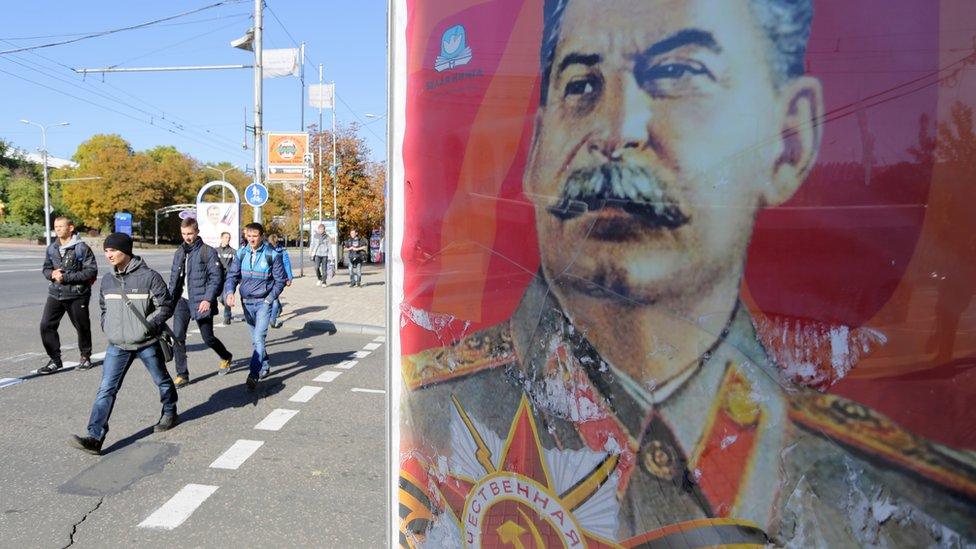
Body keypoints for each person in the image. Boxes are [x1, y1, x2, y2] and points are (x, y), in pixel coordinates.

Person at [398, 1, 976, 547]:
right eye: (581, 85)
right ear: (537, 148)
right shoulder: (434, 413)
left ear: (790, 141)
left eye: (677, 74)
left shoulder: (900, 504)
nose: (617, 129)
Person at [69, 233, 176, 455]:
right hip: (117, 345)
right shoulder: (108, 280)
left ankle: (169, 410)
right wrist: (107, 326)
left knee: (162, 380)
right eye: (107, 250)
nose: (108, 254)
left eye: (113, 250)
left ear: (126, 251)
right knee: (106, 389)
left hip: (146, 342)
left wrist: (147, 326)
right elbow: (104, 308)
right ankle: (95, 437)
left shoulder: (149, 277)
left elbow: (165, 305)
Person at [167, 218, 234, 387]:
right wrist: (168, 298)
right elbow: (174, 277)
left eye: (189, 233)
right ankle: (182, 374)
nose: (187, 237)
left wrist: (208, 299)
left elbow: (216, 278)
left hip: (201, 300)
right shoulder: (179, 251)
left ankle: (226, 356)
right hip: (182, 300)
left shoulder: (207, 251)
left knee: (208, 338)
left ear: (197, 232)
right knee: (178, 337)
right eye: (183, 234)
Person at [224, 223, 287, 390]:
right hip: (246, 303)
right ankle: (264, 365)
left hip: (263, 303)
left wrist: (269, 299)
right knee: (255, 339)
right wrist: (230, 292)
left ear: (262, 236)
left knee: (259, 338)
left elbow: (280, 281)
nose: (251, 239)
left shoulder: (272, 254)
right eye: (249, 236)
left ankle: (253, 374)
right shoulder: (241, 253)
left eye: (255, 236)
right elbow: (232, 275)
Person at [38, 216, 98, 374]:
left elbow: (91, 271)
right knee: (46, 325)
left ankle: (85, 356)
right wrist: (52, 273)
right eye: (55, 227)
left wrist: (66, 277)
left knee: (82, 327)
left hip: (77, 294)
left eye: (61, 226)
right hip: (55, 293)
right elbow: (45, 268)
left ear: (71, 228)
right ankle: (55, 360)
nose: (57, 229)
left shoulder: (81, 248)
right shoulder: (52, 248)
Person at [266, 234, 293, 329]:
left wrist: (289, 277)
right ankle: (278, 309)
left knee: (275, 301)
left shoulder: (282, 252)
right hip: (268, 279)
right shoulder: (266, 250)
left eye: (275, 244)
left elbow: (287, 265)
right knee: (274, 298)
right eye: (271, 244)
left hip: (279, 279)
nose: (273, 245)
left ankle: (272, 321)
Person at [215, 231, 236, 326]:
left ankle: (227, 317)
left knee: (226, 296)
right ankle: (225, 304)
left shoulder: (232, 251)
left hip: (228, 277)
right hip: (218, 277)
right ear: (221, 238)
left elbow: (236, 264)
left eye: (229, 238)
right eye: (226, 237)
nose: (227, 239)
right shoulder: (216, 251)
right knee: (220, 298)